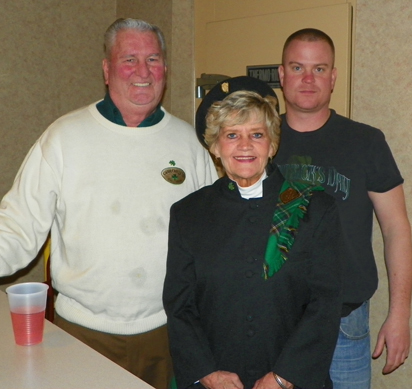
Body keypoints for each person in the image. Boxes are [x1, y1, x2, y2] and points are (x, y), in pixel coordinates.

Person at [0, 18, 217, 388]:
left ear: (165, 67)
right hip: (82, 333)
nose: (143, 72)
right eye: (129, 59)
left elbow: (215, 237)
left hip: (167, 333)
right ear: (107, 69)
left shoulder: (189, 145)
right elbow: (17, 226)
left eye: (153, 59)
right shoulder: (64, 138)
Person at [163, 78, 346, 389]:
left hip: (292, 379)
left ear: (272, 145)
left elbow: (325, 304)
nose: (245, 145)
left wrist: (284, 376)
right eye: (232, 135)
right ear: (215, 147)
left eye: (257, 135)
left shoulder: (314, 209)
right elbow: (179, 305)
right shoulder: (187, 214)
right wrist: (207, 372)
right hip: (214, 379)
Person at [274, 28, 412, 389]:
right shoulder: (257, 138)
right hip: (274, 316)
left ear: (333, 77)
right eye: (297, 67)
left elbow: (396, 229)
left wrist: (399, 314)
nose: (308, 79)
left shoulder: (366, 142)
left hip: (345, 322)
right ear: (281, 74)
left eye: (319, 69)